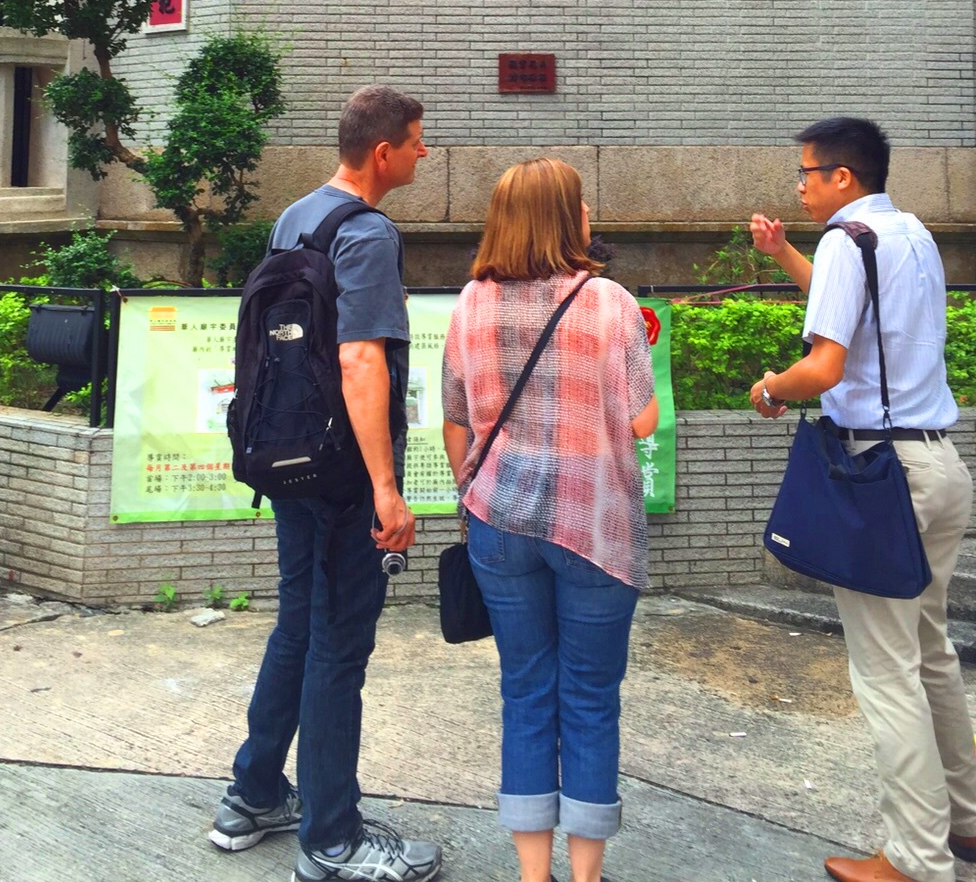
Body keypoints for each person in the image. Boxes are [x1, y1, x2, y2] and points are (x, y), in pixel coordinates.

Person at [210, 85, 443, 882]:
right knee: (339, 648)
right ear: (383, 153)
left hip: (285, 457)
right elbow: (359, 359)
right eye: (416, 142)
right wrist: (386, 486)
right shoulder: (370, 234)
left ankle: (254, 794)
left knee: (298, 628)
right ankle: (332, 840)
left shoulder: (295, 218)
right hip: (344, 474)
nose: (423, 153)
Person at [749, 117, 976, 882]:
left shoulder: (847, 240)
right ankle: (965, 826)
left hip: (884, 477)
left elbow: (824, 365)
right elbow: (852, 311)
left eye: (808, 173)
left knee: (886, 674)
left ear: (842, 178)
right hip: (939, 468)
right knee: (930, 655)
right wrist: (782, 251)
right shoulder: (908, 235)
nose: (801, 184)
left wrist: (769, 388)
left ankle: (915, 860)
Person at [441, 158, 659, 882]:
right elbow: (643, 422)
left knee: (526, 690)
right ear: (571, 219)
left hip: (499, 522)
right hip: (594, 526)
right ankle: (586, 876)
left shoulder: (470, 302)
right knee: (591, 698)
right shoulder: (610, 303)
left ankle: (533, 877)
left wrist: (477, 488)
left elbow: (454, 421)